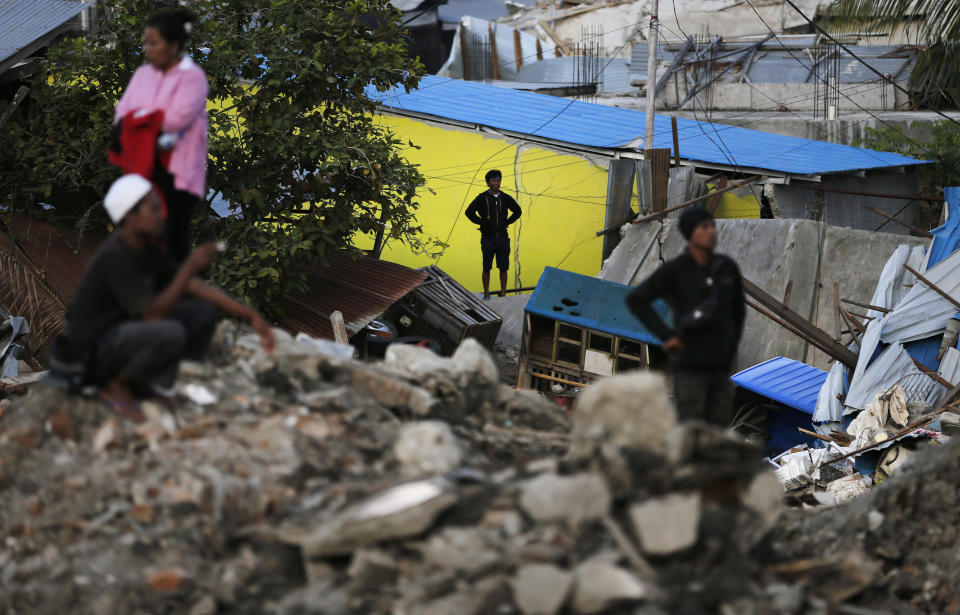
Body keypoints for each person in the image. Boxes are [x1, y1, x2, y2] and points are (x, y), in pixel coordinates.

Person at [57, 175, 275, 420]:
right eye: (153, 209)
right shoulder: (115, 256)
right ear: (130, 216)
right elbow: (152, 314)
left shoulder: (147, 249)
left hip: (122, 334)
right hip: (90, 348)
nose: (161, 214)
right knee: (170, 331)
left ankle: (163, 382)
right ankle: (112, 386)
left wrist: (249, 314)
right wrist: (189, 267)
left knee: (201, 312)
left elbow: (191, 286)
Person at [626, 208, 745, 426]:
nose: (711, 232)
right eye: (704, 227)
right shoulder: (675, 271)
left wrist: (731, 342)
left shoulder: (726, 268)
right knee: (690, 425)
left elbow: (738, 309)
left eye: (712, 226)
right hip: (689, 364)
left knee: (718, 426)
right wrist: (667, 336)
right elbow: (637, 299)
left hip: (720, 365)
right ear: (691, 233)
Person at [114, 9, 208, 262]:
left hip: (176, 169)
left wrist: (141, 118)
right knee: (140, 235)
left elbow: (177, 119)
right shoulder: (143, 75)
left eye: (153, 43)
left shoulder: (193, 77)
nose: (147, 49)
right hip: (143, 164)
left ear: (174, 45)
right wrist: (142, 120)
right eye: (146, 42)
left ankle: (172, 293)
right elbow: (122, 112)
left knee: (171, 236)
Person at [464, 169, 522, 299]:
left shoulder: (505, 198)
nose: (497, 183)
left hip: (503, 238)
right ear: (488, 183)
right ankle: (486, 292)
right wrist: (481, 223)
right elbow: (469, 212)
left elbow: (518, 211)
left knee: (503, 268)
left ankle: (503, 293)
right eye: (494, 180)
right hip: (487, 239)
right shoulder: (482, 198)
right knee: (486, 267)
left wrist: (507, 222)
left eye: (498, 180)